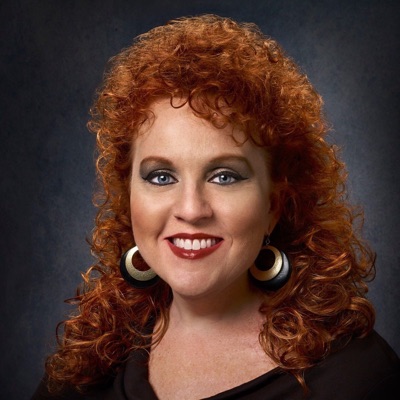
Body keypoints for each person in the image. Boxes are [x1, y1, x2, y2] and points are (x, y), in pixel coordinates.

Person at [32, 14, 400, 400]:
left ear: (274, 205)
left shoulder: (358, 378)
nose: (191, 210)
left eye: (224, 176)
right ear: (129, 198)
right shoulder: (91, 357)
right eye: (161, 176)